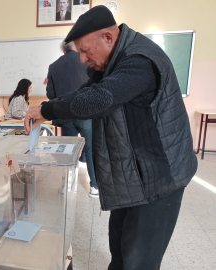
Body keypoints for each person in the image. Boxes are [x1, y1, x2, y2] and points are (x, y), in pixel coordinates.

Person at [25, 5, 197, 270]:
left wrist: (47, 109)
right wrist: (48, 108)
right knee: (119, 246)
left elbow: (99, 99)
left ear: (107, 37)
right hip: (133, 176)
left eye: (84, 51)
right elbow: (84, 92)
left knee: (139, 260)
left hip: (158, 179)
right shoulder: (113, 62)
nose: (82, 59)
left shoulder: (139, 61)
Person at [46, 41, 98, 198]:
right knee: (90, 150)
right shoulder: (88, 61)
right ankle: (94, 186)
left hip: (65, 115)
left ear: (64, 50)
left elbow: (50, 94)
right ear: (76, 47)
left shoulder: (53, 66)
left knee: (68, 152)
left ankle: (66, 185)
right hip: (87, 114)